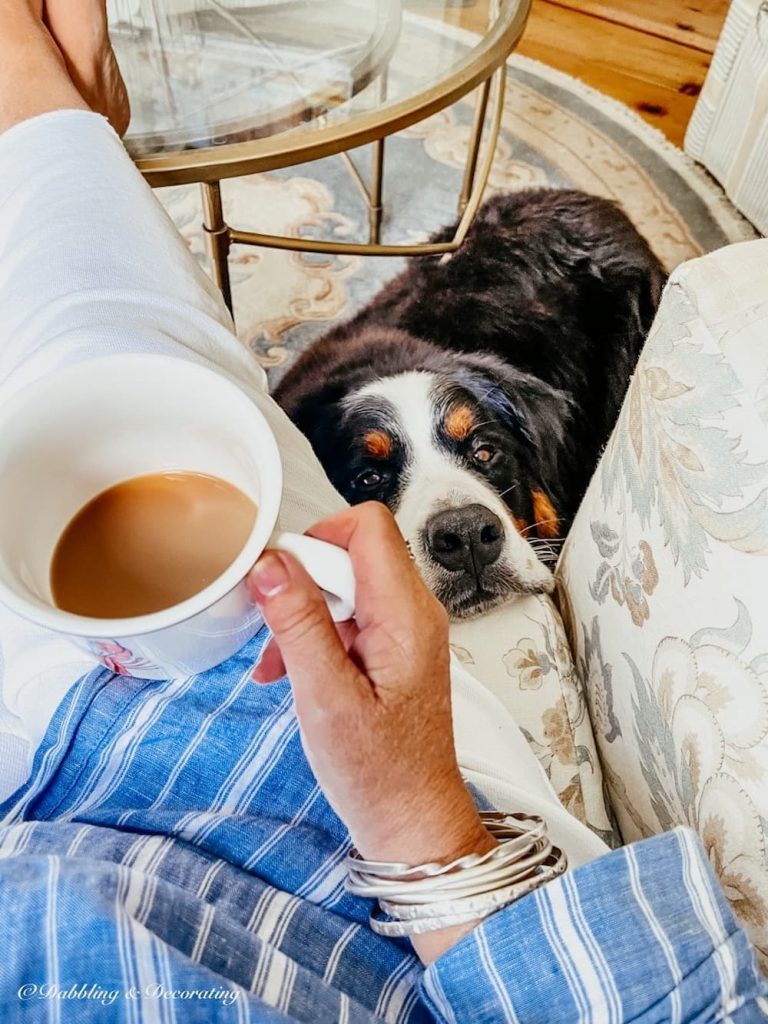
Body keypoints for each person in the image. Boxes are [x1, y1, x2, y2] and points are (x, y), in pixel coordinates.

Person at [0, 2, 766, 1020]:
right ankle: (54, 119)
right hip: (367, 819)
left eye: (482, 452)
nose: (459, 516)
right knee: (124, 358)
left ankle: (53, 123)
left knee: (86, 367)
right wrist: (418, 814)